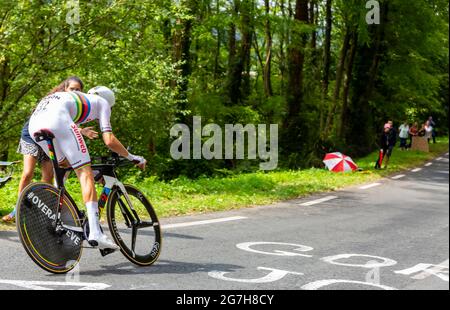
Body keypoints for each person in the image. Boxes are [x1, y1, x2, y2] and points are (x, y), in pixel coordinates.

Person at [28, 86, 146, 250]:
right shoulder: (102, 102)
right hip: (56, 119)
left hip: (34, 124)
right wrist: (133, 157)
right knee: (85, 172)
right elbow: (109, 141)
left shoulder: (76, 98)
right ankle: (96, 233)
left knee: (65, 165)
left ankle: (54, 210)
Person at [2, 77, 98, 223]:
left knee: (47, 178)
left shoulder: (76, 105)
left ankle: (42, 213)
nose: (76, 91)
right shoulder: (54, 99)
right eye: (72, 89)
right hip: (32, 134)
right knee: (27, 173)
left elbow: (67, 127)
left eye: (78, 89)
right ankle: (18, 210)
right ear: (65, 88)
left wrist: (81, 131)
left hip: (51, 139)